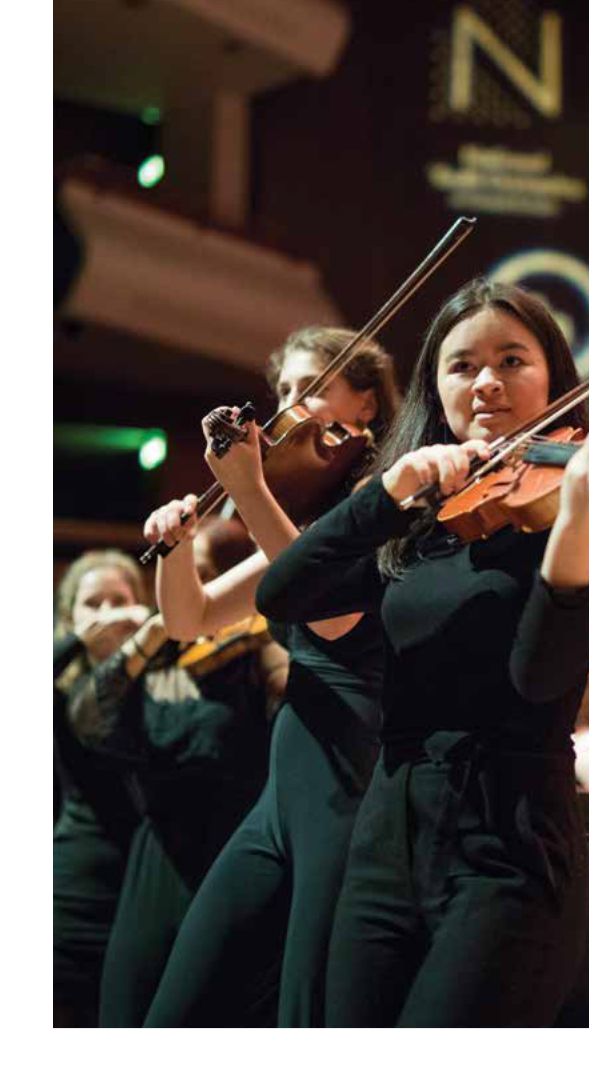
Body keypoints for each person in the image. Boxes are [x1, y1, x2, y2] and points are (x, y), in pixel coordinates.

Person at [257, 278, 589, 1027]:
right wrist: (381, 497)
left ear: (553, 378)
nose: (488, 381)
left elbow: (538, 681)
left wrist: (578, 538)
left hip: (510, 844)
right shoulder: (417, 519)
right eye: (462, 365)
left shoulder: (578, 511)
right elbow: (284, 595)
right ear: (436, 387)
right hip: (385, 836)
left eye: (511, 360)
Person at [142, 325, 399, 1027]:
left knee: (306, 1018)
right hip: (279, 803)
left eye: (311, 389)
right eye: (283, 389)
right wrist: (175, 549)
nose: (289, 405)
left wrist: (250, 488)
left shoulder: (382, 508)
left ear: (367, 404)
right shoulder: (309, 522)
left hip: (348, 794)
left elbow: (320, 605)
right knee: (175, 1011)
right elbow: (188, 619)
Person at [66, 520, 281, 1027]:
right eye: (177, 574)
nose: (189, 588)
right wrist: (154, 631)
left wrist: (269, 631)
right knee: (128, 1012)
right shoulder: (156, 659)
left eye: (202, 575)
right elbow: (88, 720)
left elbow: (290, 694)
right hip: (160, 854)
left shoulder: (252, 653)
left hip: (235, 848)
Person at [53, 550, 150, 1026]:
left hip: (148, 883)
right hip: (77, 884)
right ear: (69, 616)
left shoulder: (163, 678)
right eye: (93, 603)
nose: (109, 612)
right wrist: (75, 640)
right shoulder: (57, 688)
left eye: (120, 599)